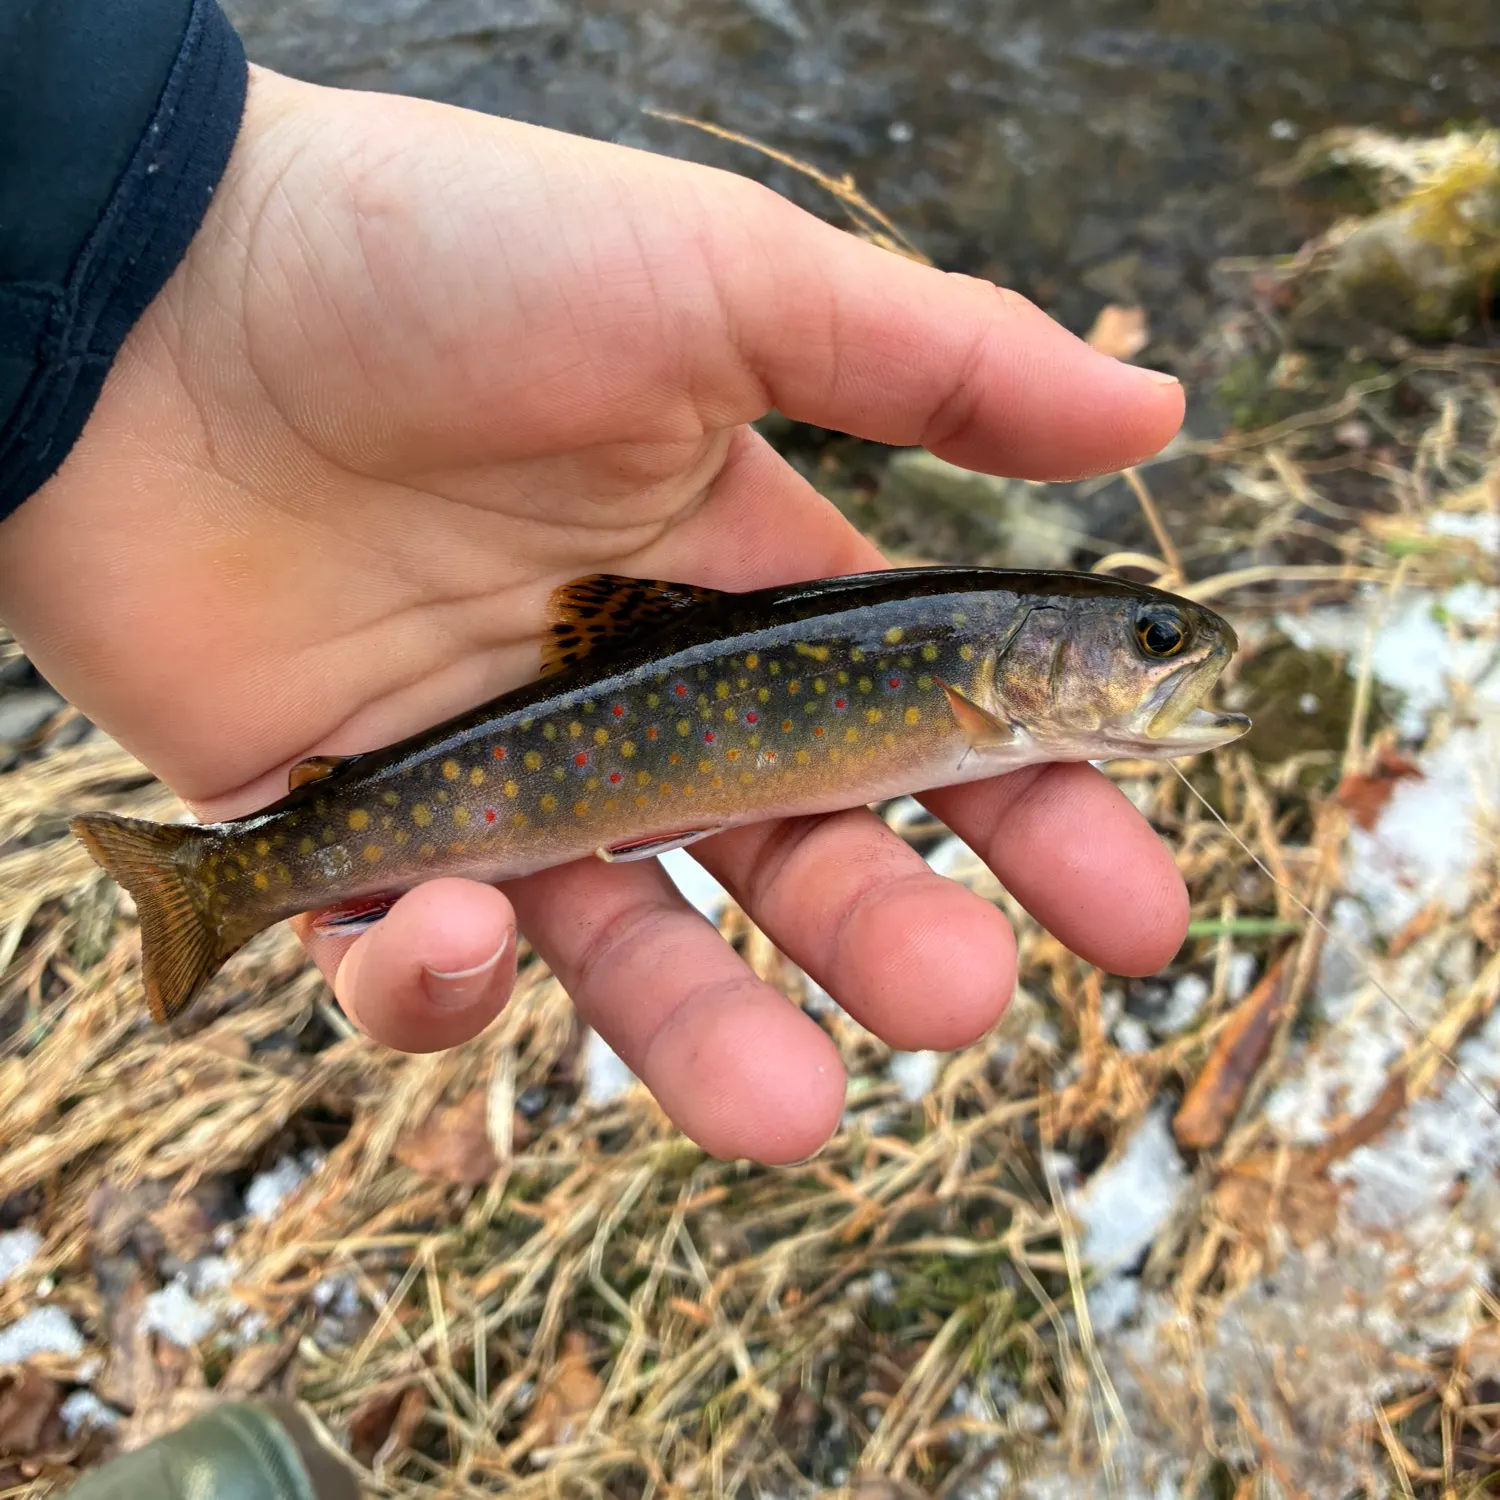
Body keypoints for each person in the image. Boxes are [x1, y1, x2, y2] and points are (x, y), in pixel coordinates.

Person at [0, 0, 1191, 1172]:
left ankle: (238, 877)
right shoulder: (970, 670)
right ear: (1042, 646)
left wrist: (161, 233)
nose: (1166, 657)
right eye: (1151, 640)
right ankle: (222, 881)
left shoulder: (976, 672)